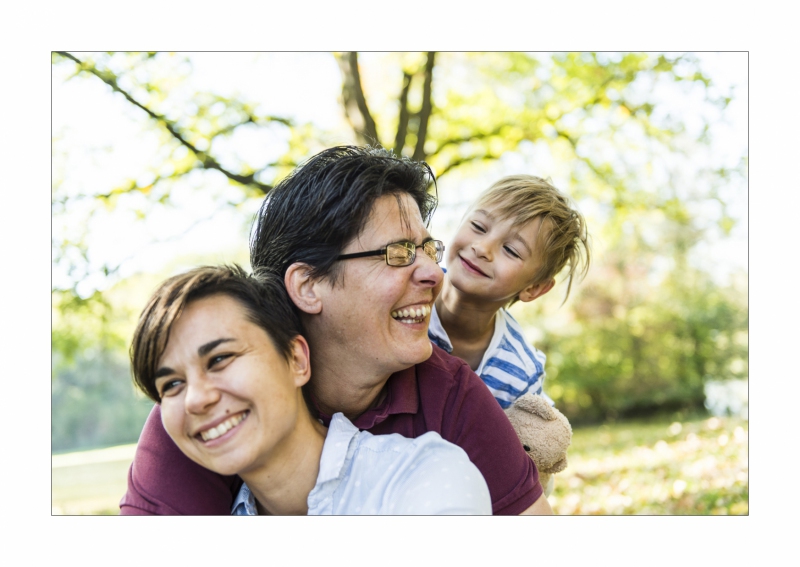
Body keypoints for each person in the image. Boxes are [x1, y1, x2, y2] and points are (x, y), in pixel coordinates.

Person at [121, 146, 551, 515]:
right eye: (399, 253)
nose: (435, 274)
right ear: (308, 286)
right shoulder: (211, 413)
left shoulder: (450, 396)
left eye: (427, 248)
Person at [129, 265, 491, 515]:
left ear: (297, 360)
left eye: (221, 359)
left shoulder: (423, 478)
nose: (196, 398)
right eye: (172, 384)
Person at [429, 175, 591, 409]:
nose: (482, 248)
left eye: (511, 250)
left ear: (533, 288)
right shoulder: (402, 294)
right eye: (478, 226)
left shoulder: (521, 374)